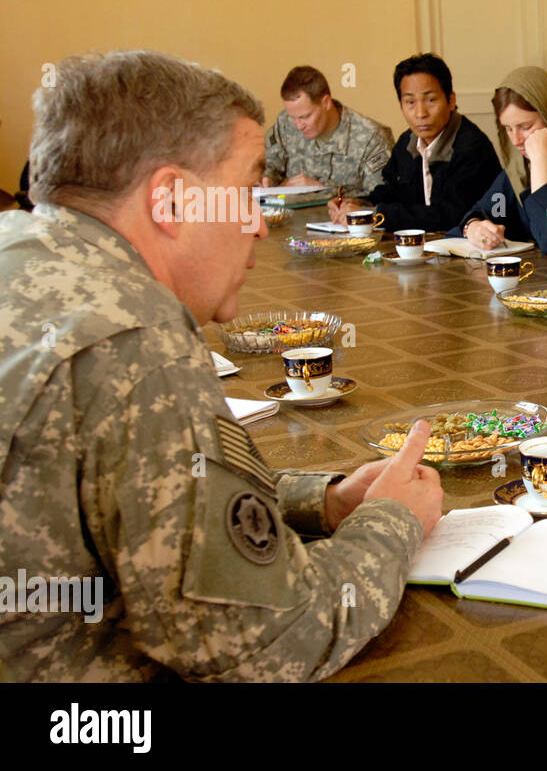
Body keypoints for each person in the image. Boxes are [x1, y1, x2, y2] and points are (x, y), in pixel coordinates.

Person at [0, 50, 444, 682]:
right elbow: (266, 643)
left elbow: (140, 497)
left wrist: (323, 502)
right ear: (171, 201)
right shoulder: (132, 343)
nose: (260, 224)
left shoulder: (23, 251)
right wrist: (391, 522)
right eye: (246, 191)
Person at [329, 54, 499, 232]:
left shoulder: (471, 147)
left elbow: (451, 215)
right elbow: (393, 191)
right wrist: (359, 203)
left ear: (451, 100)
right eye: (410, 102)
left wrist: (376, 214)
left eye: (430, 100)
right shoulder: (407, 142)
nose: (420, 113)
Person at [449, 67, 547, 254]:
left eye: (525, 127)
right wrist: (473, 227)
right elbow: (485, 210)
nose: (516, 141)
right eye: (508, 129)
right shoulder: (520, 162)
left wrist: (540, 161)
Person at [262, 65, 394, 196]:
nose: (298, 126)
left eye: (305, 117)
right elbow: (270, 164)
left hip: (341, 216)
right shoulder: (285, 123)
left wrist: (323, 189)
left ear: (326, 103)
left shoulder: (370, 137)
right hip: (291, 215)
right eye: (293, 117)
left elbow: (383, 198)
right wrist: (266, 179)